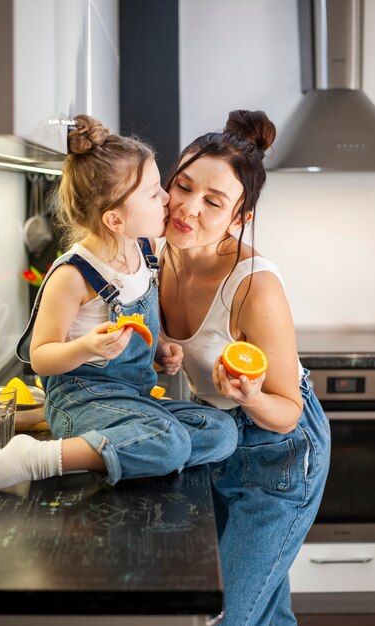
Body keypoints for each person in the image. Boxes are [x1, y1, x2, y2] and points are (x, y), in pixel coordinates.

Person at [0, 114, 237, 494]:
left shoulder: (145, 252)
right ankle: (35, 459)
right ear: (115, 220)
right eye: (154, 193)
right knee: (169, 441)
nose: (168, 198)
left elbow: (136, 333)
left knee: (221, 432)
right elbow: (41, 357)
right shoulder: (73, 276)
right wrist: (86, 347)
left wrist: (158, 351)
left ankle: (120, 451)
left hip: (131, 401)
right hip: (80, 400)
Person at [158, 110, 331, 626]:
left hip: (280, 457)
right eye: (182, 186)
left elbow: (285, 411)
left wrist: (251, 394)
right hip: (217, 445)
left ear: (239, 218)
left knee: (225, 617)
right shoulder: (160, 251)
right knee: (265, 613)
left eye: (212, 202)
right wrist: (163, 345)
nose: (187, 208)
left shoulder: (255, 286)